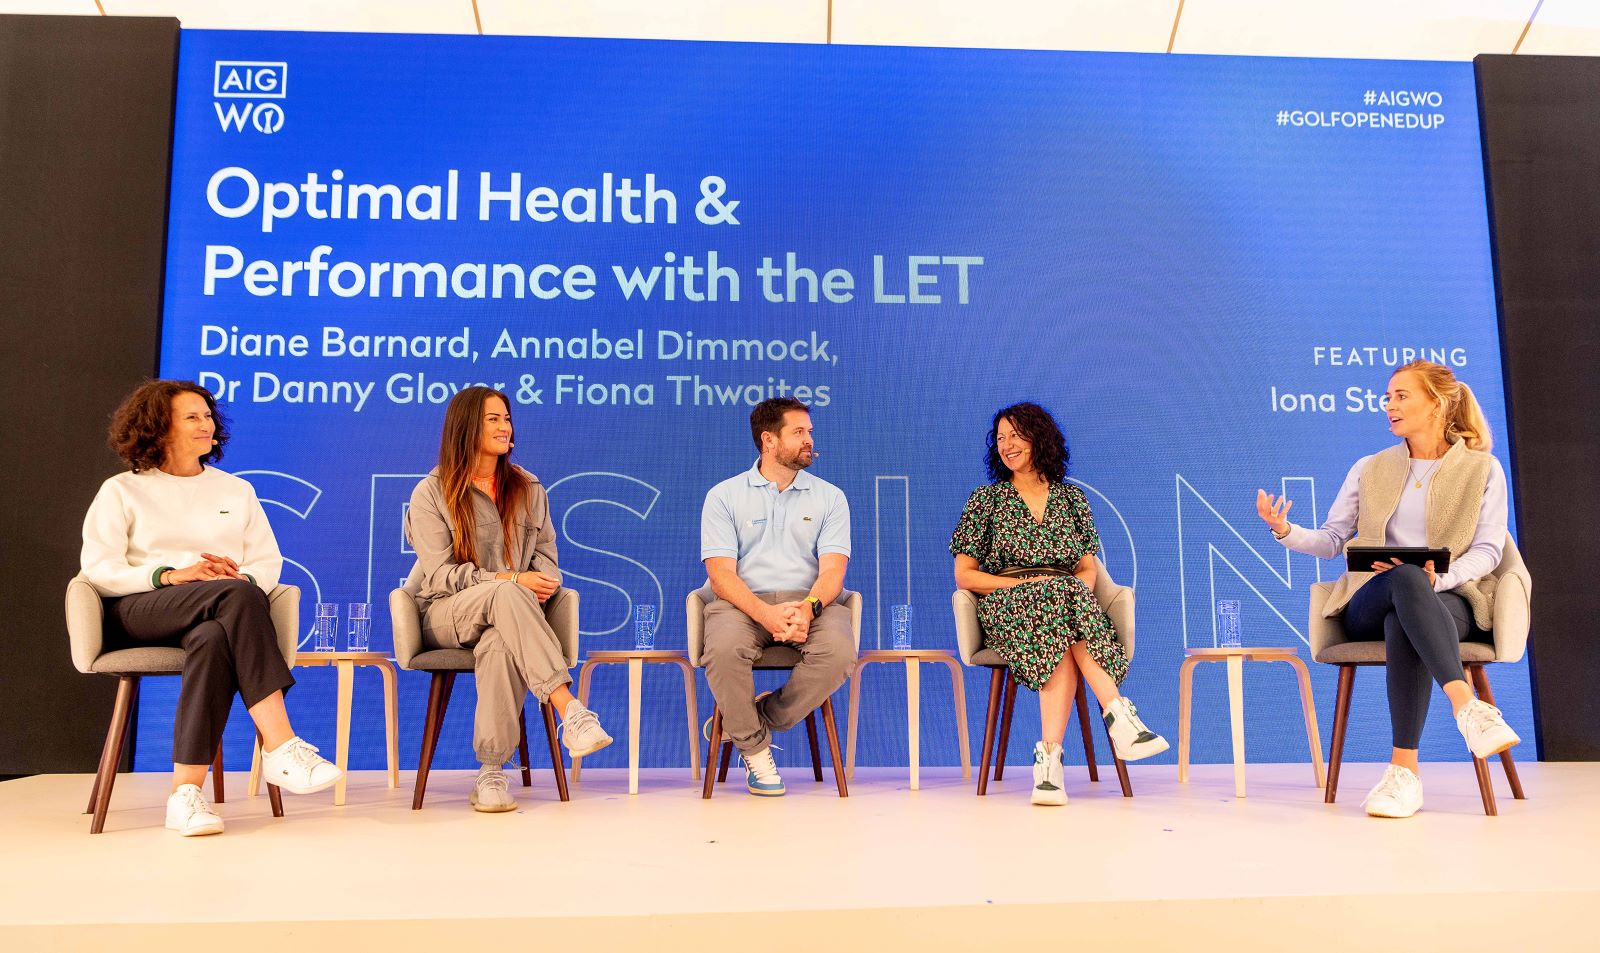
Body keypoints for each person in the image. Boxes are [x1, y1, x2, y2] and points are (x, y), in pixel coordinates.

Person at [1256, 360, 1519, 819]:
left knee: (1409, 607)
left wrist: (1442, 577)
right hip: (1369, 600)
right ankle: (1468, 708)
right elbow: (1333, 539)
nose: (1389, 405)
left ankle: (1403, 773)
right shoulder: (1370, 467)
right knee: (1403, 579)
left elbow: (1488, 551)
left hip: (1450, 598)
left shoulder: (1483, 470)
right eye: (1387, 397)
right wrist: (1285, 530)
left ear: (1436, 404)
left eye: (1402, 396)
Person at [80, 380, 342, 837]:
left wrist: (240, 576)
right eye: (193, 417)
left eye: (208, 416)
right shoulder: (122, 490)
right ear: (159, 429)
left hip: (215, 613)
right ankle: (280, 744)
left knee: (217, 633)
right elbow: (98, 568)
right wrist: (170, 575)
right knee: (235, 596)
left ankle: (185, 795)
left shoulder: (235, 491)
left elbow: (267, 563)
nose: (208, 425)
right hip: (139, 609)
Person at [404, 386, 610, 813]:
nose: (505, 427)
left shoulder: (529, 488)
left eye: (507, 418)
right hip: (446, 614)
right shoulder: (431, 492)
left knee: (500, 640)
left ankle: (491, 772)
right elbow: (439, 575)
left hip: (511, 619)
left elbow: (548, 562)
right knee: (505, 591)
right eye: (492, 419)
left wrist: (539, 583)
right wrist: (511, 579)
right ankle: (568, 708)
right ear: (465, 427)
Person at [952, 402, 1168, 807]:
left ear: (1040, 437)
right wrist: (1028, 586)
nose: (1006, 445)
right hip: (1007, 604)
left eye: (1015, 435)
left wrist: (1065, 589)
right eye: (1000, 438)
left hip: (1064, 604)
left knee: (1063, 604)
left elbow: (1087, 570)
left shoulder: (1072, 498)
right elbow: (965, 576)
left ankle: (1048, 761)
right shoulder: (986, 500)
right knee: (1062, 599)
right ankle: (1118, 715)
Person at [700, 397, 852, 796]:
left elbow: (833, 571)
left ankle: (749, 720)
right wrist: (766, 615)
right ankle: (755, 750)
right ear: (769, 440)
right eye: (798, 432)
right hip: (743, 603)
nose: (809, 440)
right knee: (723, 650)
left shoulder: (830, 497)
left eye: (810, 432)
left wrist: (808, 608)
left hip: (810, 602)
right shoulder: (724, 495)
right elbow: (720, 576)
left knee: (838, 652)